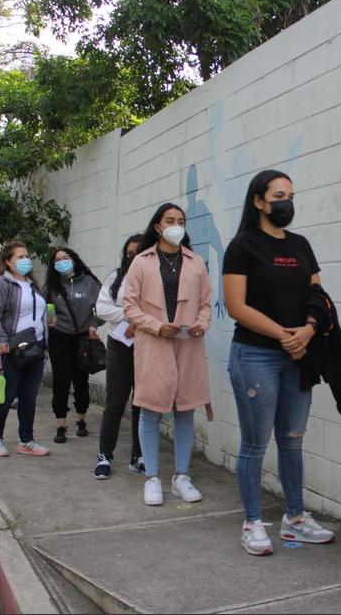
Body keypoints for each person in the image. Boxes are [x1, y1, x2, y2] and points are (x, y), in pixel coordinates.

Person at [223, 170, 335, 556]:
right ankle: (252, 523)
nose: (287, 203)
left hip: (298, 353)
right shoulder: (242, 246)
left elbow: (318, 295)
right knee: (255, 444)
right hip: (255, 355)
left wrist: (308, 329)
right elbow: (237, 306)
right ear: (258, 201)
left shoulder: (300, 245)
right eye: (279, 196)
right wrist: (284, 335)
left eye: (291, 195)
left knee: (292, 440)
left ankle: (295, 518)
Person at [124, 205, 212, 506]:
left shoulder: (195, 262)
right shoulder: (141, 262)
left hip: (188, 343)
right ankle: (152, 477)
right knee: (150, 408)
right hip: (154, 342)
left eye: (181, 221)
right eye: (170, 221)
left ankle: (181, 477)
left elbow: (206, 303)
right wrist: (157, 326)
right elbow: (130, 307)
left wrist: (201, 324)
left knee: (185, 408)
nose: (177, 226)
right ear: (158, 227)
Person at [0, 241, 51, 457]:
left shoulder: (32, 285)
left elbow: (38, 314)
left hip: (34, 347)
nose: (25, 260)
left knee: (29, 396)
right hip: (9, 348)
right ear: (8, 262)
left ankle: (26, 440)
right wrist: (0, 340)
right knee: (6, 395)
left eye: (27, 256)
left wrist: (46, 335)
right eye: (20, 257)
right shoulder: (0, 284)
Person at [93, 234, 146, 480]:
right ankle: (105, 455)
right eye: (129, 254)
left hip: (146, 346)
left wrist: (137, 318)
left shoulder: (153, 277)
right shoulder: (116, 277)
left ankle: (138, 456)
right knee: (115, 403)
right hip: (119, 345)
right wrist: (130, 314)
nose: (133, 258)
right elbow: (101, 308)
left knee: (141, 404)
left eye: (139, 253)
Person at [43, 246, 102, 443]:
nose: (62, 262)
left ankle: (81, 419)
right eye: (57, 260)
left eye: (65, 258)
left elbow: (102, 308)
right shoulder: (52, 285)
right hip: (59, 337)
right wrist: (49, 320)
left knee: (81, 380)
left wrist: (94, 324)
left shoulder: (89, 282)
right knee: (61, 381)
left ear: (74, 259)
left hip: (82, 338)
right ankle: (60, 424)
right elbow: (47, 308)